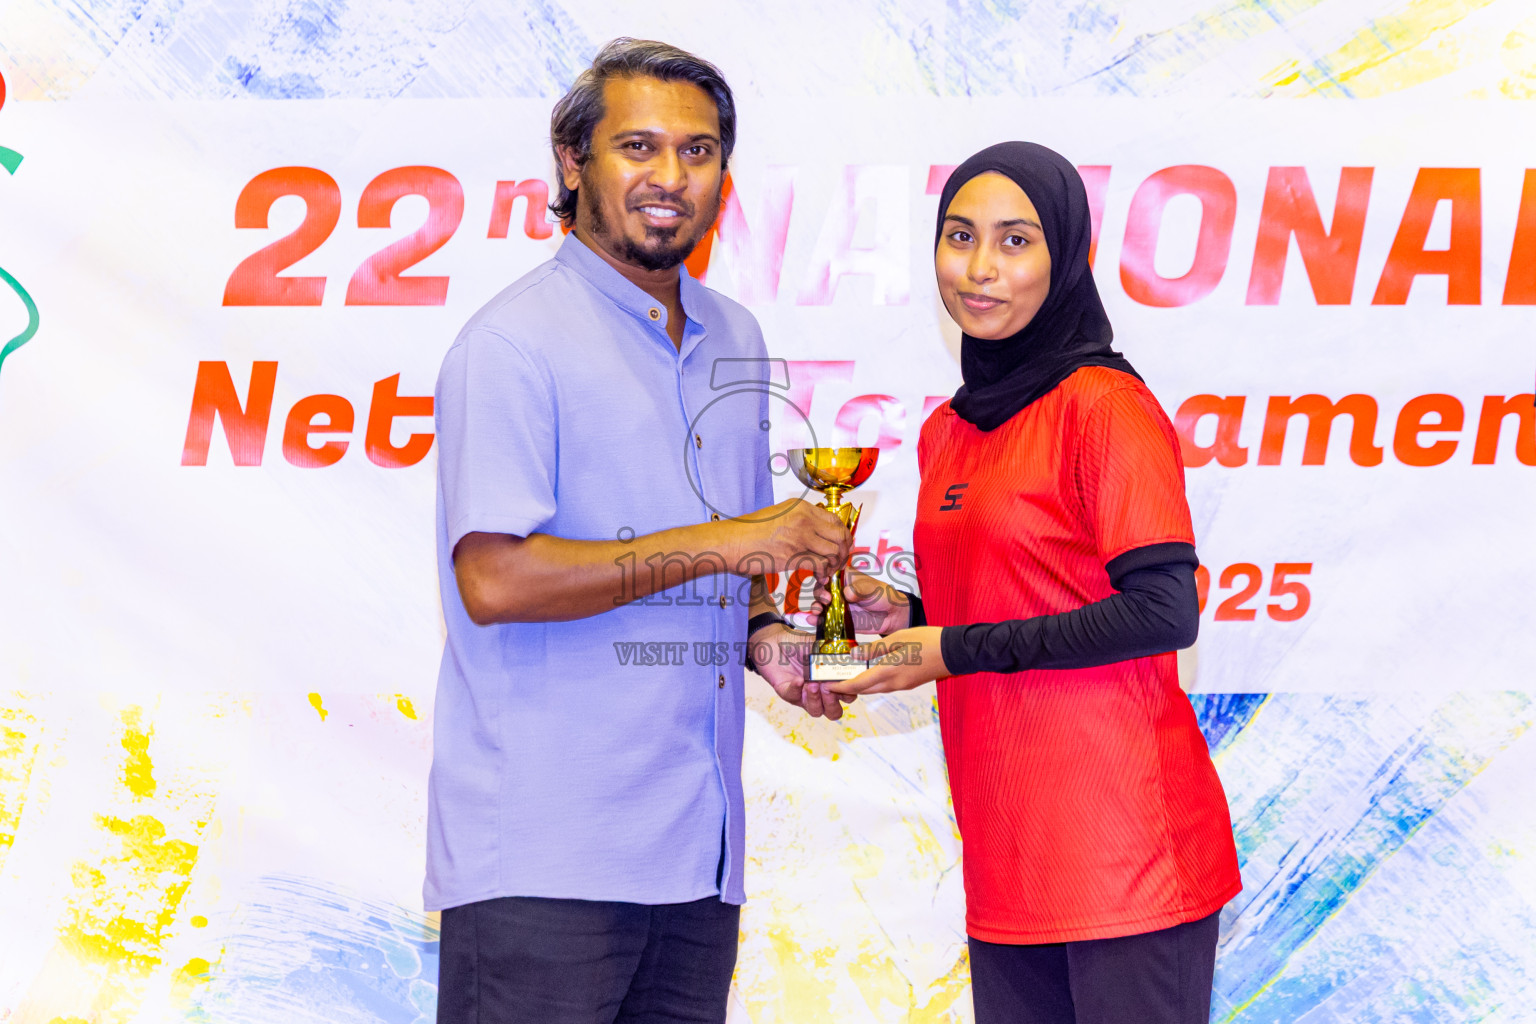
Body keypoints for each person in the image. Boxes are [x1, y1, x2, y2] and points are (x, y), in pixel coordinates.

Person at [427, 38, 850, 1024]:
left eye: (698, 152)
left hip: (697, 860)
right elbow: (493, 580)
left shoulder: (734, 336)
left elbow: (731, 569)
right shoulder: (512, 345)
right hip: (544, 864)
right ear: (572, 164)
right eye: (638, 147)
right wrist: (728, 541)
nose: (671, 177)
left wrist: (767, 639)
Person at [820, 142, 1242, 1024]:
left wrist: (953, 648)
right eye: (960, 237)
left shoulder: (1104, 405)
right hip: (1010, 855)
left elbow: (1165, 610)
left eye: (1016, 242)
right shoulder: (950, 430)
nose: (980, 269)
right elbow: (1026, 601)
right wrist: (908, 616)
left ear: (1065, 257)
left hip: (1125, 856)